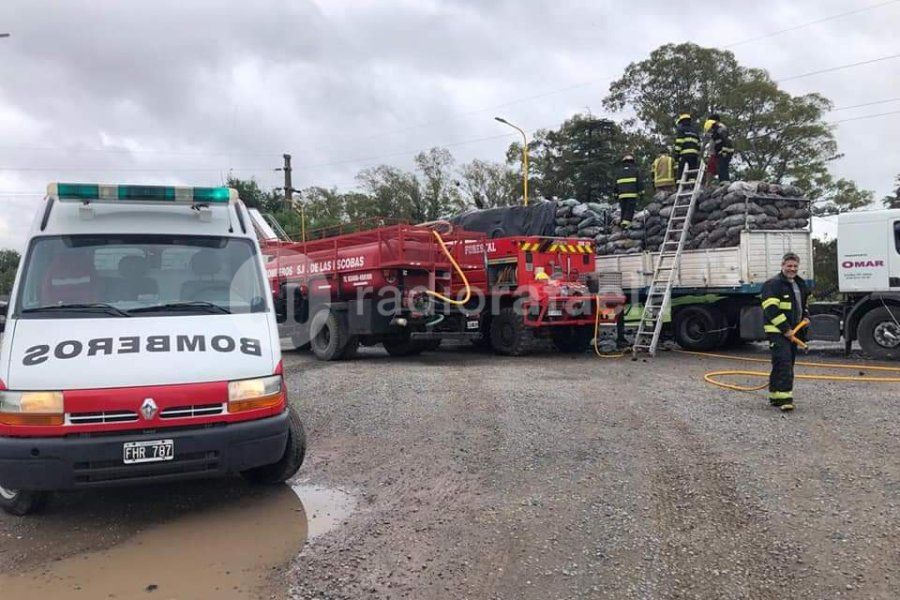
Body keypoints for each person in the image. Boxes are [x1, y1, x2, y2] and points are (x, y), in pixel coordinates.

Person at [760, 252, 810, 412]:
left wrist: (806, 317)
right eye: (789, 266)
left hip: (793, 332)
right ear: (782, 266)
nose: (792, 269)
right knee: (784, 362)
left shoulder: (800, 284)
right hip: (777, 331)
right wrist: (786, 329)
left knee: (783, 362)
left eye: (795, 266)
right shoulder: (773, 284)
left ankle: (776, 396)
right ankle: (785, 399)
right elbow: (771, 309)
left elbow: (803, 305)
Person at [704, 113, 735, 182]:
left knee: (722, 167)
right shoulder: (716, 128)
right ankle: (722, 182)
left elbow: (723, 139)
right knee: (719, 167)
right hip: (719, 151)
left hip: (724, 150)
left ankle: (724, 182)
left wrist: (723, 151)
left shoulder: (720, 127)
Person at [614, 153, 643, 227]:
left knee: (623, 209)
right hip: (631, 194)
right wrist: (641, 192)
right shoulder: (635, 171)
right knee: (629, 209)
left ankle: (622, 221)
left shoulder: (619, 172)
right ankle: (626, 223)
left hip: (621, 195)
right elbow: (639, 182)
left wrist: (615, 194)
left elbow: (615, 184)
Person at [674, 113, 701, 182]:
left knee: (681, 167)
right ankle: (691, 181)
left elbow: (679, 142)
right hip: (694, 154)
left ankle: (680, 181)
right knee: (692, 168)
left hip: (684, 154)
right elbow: (699, 143)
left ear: (682, 121)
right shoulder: (695, 130)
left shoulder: (681, 130)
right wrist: (697, 152)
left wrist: (676, 153)